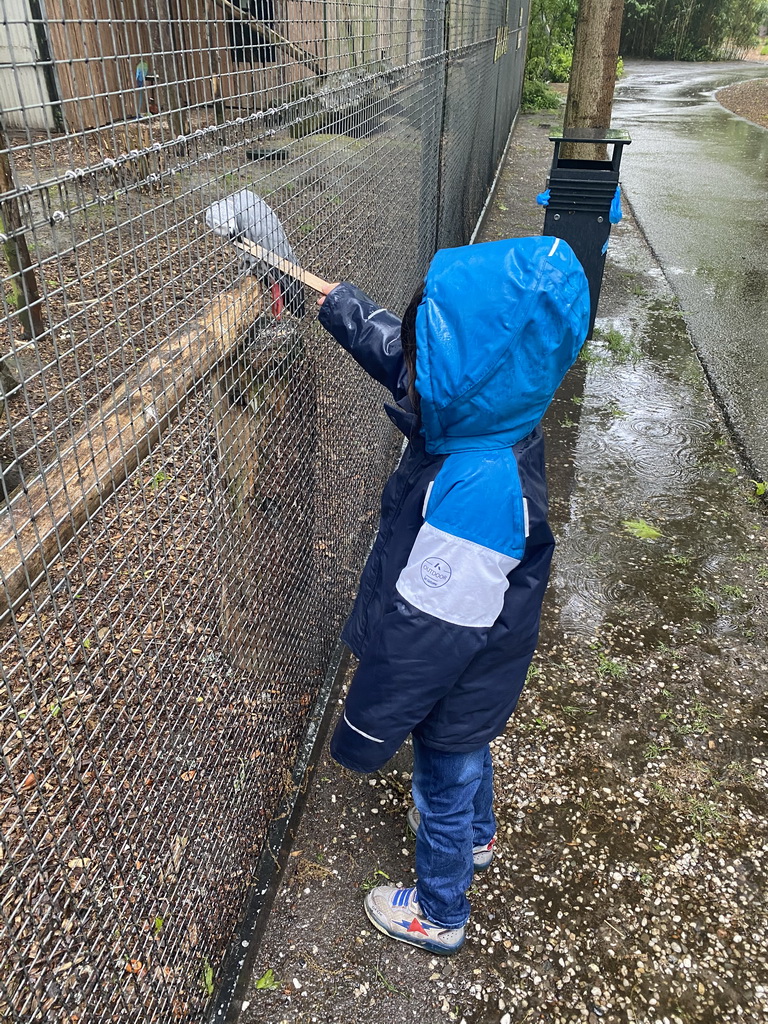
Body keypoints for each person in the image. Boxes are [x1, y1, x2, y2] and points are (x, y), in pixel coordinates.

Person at [316, 236, 590, 955]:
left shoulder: (477, 487)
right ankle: (480, 834)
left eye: (423, 356)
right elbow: (405, 362)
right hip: (484, 667)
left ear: (459, 373)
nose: (410, 373)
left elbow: (423, 639)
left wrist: (367, 727)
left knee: (442, 774)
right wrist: (336, 305)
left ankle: (440, 912)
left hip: (458, 667)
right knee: (468, 754)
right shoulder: (497, 406)